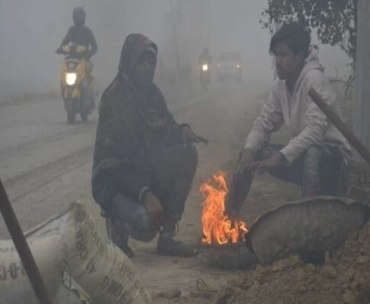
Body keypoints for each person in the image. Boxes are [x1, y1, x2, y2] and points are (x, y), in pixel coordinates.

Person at [92, 34, 207, 258]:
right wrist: (146, 195)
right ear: (129, 64)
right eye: (141, 63)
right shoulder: (115, 99)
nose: (147, 69)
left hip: (144, 171)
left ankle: (167, 238)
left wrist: (182, 131)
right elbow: (113, 168)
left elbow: (166, 126)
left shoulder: (153, 95)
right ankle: (116, 223)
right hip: (116, 184)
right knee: (145, 225)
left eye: (151, 63)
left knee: (187, 154)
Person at [225, 23, 352, 218]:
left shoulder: (314, 80)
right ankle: (228, 218)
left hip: (333, 162)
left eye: (283, 55)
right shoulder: (281, 85)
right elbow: (263, 123)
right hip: (303, 157)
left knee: (311, 153)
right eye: (275, 55)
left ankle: (310, 220)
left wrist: (278, 158)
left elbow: (315, 133)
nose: (277, 61)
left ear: (299, 56)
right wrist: (248, 151)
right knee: (253, 152)